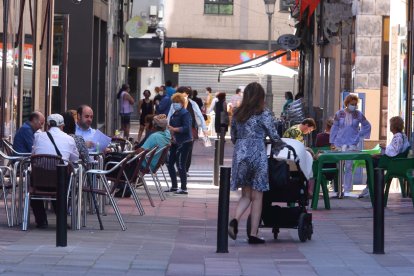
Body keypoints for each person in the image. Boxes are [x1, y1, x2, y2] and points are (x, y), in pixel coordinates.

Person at [228, 82, 284, 244]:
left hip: (240, 154)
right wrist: (281, 145)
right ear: (261, 97)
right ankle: (253, 234)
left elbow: (233, 136)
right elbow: (274, 136)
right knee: (257, 196)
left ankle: (235, 219)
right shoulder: (263, 113)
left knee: (246, 195)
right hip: (257, 154)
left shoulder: (238, 113)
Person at [31, 114, 79, 228]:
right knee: (64, 182)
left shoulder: (38, 136)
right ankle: (61, 220)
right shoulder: (69, 139)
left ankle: (41, 220)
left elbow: (33, 155)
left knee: (31, 184)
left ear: (48, 125)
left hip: (40, 181)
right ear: (62, 126)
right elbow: (75, 159)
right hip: (60, 182)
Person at [330, 94, 371, 197]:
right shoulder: (339, 114)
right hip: (339, 143)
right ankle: (338, 189)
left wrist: (360, 134)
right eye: (352, 104)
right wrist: (332, 142)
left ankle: (347, 190)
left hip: (352, 144)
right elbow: (334, 128)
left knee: (349, 167)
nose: (354, 106)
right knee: (339, 167)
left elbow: (367, 125)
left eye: (355, 104)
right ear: (347, 103)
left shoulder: (358, 114)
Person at [358, 116, 410, 198]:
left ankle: (370, 187)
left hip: (392, 163)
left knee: (371, 161)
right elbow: (395, 150)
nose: (389, 127)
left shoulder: (398, 137)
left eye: (390, 125)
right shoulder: (402, 136)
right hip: (394, 161)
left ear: (393, 126)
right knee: (373, 159)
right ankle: (369, 187)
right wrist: (383, 151)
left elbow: (393, 152)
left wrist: (382, 153)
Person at [167, 87, 208, 175]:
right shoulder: (174, 104)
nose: (180, 95)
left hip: (190, 130)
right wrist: (167, 128)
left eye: (182, 93)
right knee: (178, 149)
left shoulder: (193, 104)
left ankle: (185, 169)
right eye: (179, 93)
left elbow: (200, 115)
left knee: (188, 150)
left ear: (187, 94)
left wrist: (204, 128)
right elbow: (169, 115)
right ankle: (180, 168)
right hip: (176, 130)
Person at [165, 93, 192, 195]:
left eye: (177, 102)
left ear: (182, 103)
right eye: (174, 102)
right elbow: (171, 127)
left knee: (181, 164)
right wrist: (171, 134)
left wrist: (174, 129)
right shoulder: (174, 114)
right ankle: (174, 186)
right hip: (175, 142)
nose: (175, 104)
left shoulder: (185, 113)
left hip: (184, 142)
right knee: (170, 163)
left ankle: (184, 187)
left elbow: (186, 128)